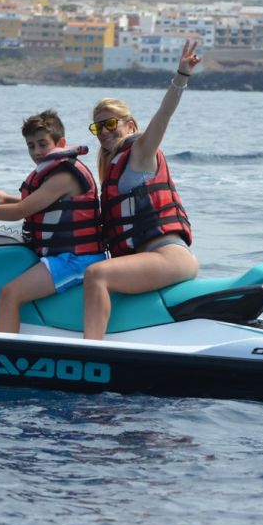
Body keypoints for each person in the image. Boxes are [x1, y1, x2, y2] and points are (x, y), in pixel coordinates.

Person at [82, 39, 201, 340]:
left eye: (110, 124)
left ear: (130, 125)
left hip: (168, 256)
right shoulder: (112, 168)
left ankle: (90, 350)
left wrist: (181, 76)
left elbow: (163, 116)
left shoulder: (140, 151)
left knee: (97, 275)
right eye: (98, 128)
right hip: (146, 257)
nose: (105, 132)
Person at [0, 110, 106, 333]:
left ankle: (2, 354)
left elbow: (21, 211)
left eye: (43, 144)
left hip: (76, 260)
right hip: (65, 255)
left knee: (9, 294)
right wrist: (5, 199)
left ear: (61, 142)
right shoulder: (56, 174)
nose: (37, 152)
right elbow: (42, 204)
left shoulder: (65, 176)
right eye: (31, 146)